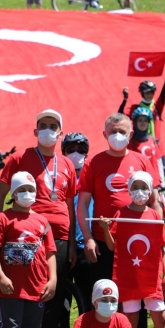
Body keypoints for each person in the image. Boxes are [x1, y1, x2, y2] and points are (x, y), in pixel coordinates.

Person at [0, 110, 76, 328]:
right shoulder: (20, 158)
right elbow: (0, 194)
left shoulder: (67, 164)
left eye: (53, 126)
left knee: (52, 294)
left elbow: (70, 205)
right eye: (44, 125)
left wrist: (71, 245)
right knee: (23, 291)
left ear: (60, 133)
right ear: (36, 131)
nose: (49, 129)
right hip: (24, 234)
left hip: (58, 237)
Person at [78, 114, 161, 288]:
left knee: (136, 295)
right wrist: (88, 238)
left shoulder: (142, 161)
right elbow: (83, 204)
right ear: (104, 135)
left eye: (122, 131)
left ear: (130, 134)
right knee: (104, 294)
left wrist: (157, 236)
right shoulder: (93, 163)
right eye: (113, 131)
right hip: (103, 241)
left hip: (137, 238)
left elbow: (155, 202)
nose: (117, 135)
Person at [0, 171, 57, 328]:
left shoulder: (43, 221)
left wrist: (53, 279)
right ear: (13, 193)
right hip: (10, 288)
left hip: (36, 286)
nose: (27, 194)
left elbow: (50, 253)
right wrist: (1, 277)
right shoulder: (2, 219)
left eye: (31, 189)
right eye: (22, 189)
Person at [98, 171, 165, 328]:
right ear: (129, 190)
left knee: (161, 319)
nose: (139, 191)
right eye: (135, 187)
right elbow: (113, 247)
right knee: (131, 321)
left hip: (151, 277)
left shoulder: (154, 215)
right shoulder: (121, 214)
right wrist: (106, 229)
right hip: (128, 276)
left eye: (144, 187)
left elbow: (161, 247)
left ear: (150, 189)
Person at [119, 55, 165, 168]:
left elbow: (164, 90)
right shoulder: (135, 108)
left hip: (158, 146)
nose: (150, 94)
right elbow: (119, 116)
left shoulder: (157, 107)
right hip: (139, 145)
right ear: (142, 93)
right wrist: (124, 100)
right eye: (147, 92)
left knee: (163, 174)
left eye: (152, 92)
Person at [62, 132, 94, 312]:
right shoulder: (57, 178)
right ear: (63, 152)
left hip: (86, 247)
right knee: (60, 302)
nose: (76, 153)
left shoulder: (92, 178)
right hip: (63, 245)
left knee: (88, 300)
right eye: (70, 149)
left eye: (81, 150)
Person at [70, 280, 136, 328]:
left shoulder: (122, 320)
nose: (109, 304)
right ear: (95, 302)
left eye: (113, 300)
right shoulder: (83, 320)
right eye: (104, 300)